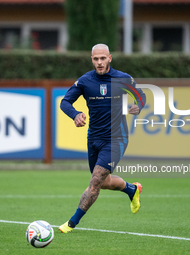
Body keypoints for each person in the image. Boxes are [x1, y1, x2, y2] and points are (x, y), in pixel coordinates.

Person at [59, 43, 146, 233]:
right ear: (92, 59)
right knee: (104, 182)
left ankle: (71, 223)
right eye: (96, 59)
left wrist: (138, 106)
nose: (99, 62)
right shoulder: (85, 81)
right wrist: (75, 114)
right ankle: (132, 189)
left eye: (103, 58)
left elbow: (141, 95)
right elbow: (65, 102)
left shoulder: (123, 78)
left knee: (95, 181)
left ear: (110, 58)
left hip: (116, 139)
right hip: (94, 139)